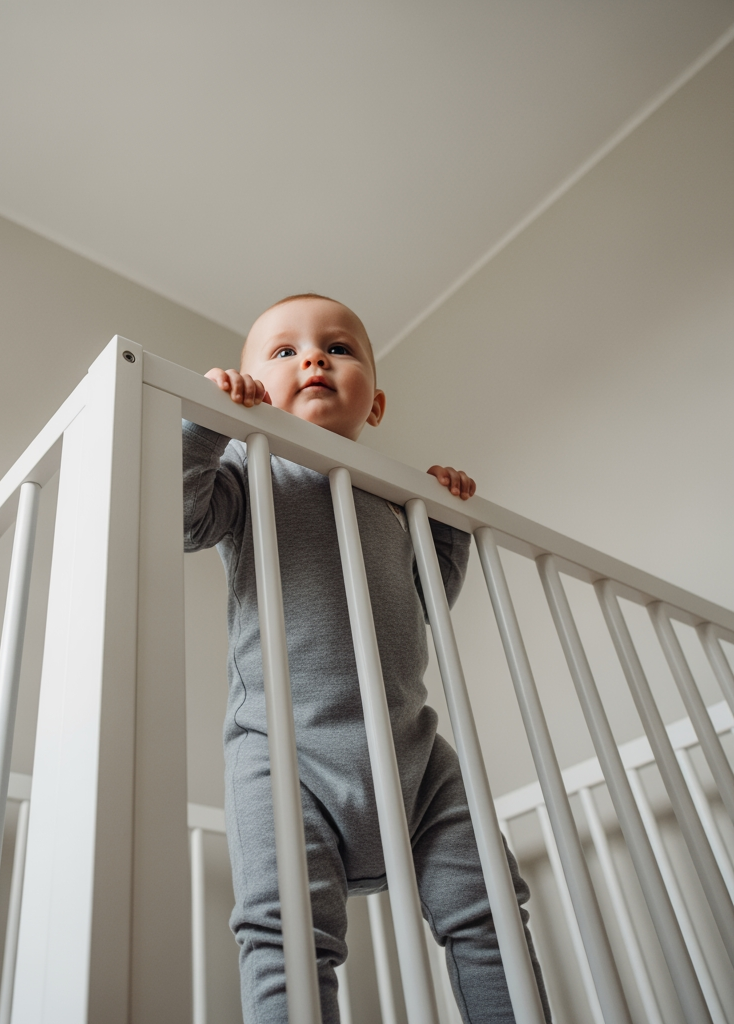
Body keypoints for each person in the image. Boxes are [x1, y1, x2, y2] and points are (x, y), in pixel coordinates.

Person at [183, 293, 550, 1023]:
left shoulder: (389, 499)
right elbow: (186, 517)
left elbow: (425, 602)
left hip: (414, 752)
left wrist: (443, 518)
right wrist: (208, 424)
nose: (314, 358)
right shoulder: (248, 469)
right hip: (285, 755)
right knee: (285, 932)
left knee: (491, 912)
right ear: (253, 384)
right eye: (283, 352)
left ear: (374, 405)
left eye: (338, 348)